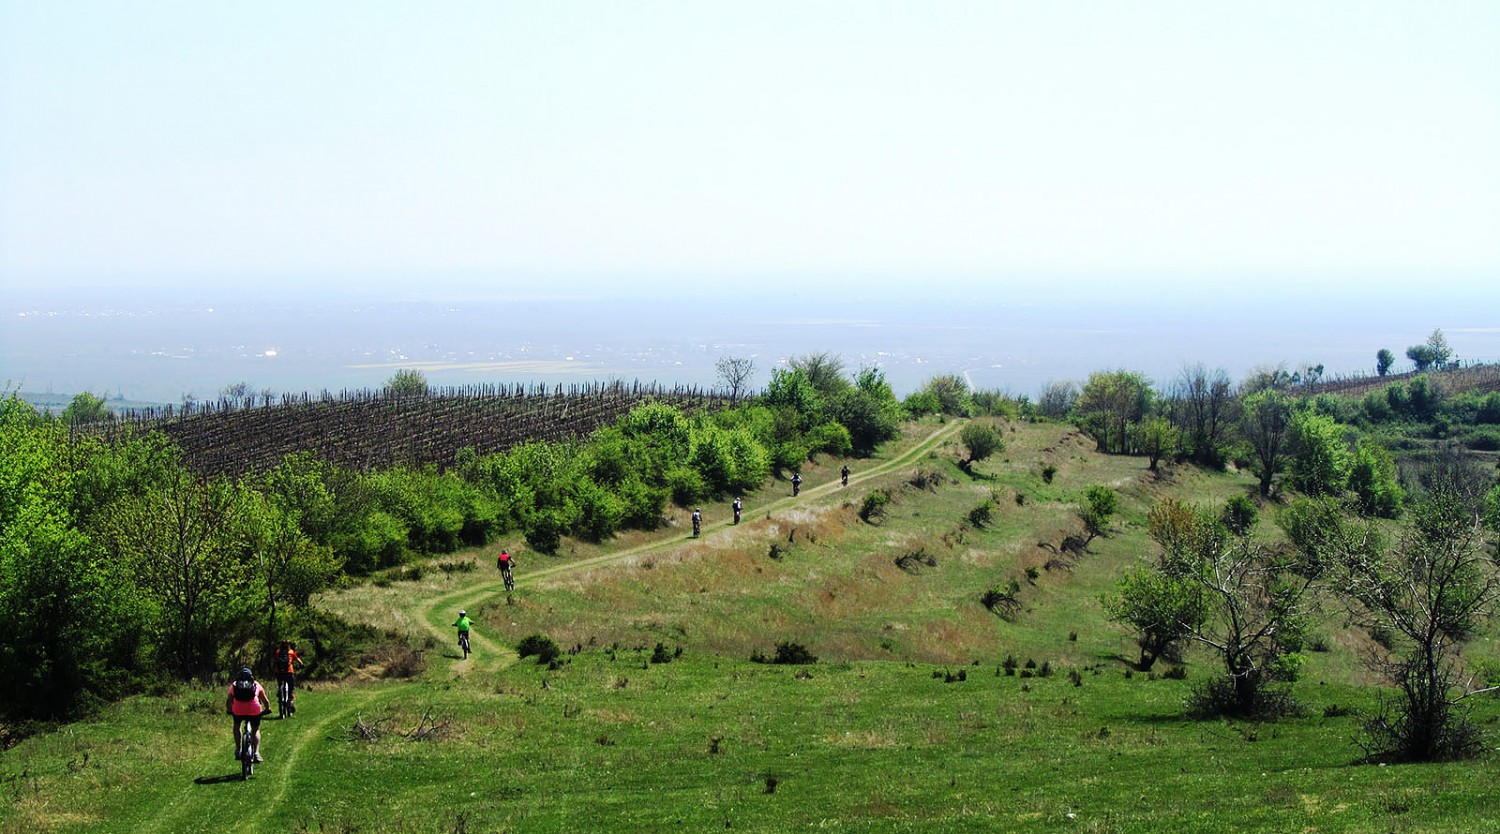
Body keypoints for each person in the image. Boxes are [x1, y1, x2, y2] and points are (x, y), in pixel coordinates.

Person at [226, 667, 271, 763]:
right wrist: (267, 709)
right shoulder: (256, 684)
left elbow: (229, 701)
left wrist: (229, 710)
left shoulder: (234, 685)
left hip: (238, 710)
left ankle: (238, 749)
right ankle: (256, 753)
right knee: (255, 730)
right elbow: (265, 701)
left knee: (237, 727)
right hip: (254, 710)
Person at [273, 641, 302, 713]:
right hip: (289, 672)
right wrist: (301, 665)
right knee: (291, 686)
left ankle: (279, 691)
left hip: (279, 672)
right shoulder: (291, 652)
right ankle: (290, 699)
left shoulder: (277, 652)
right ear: (289, 645)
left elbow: (275, 660)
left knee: (280, 682)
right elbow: (299, 661)